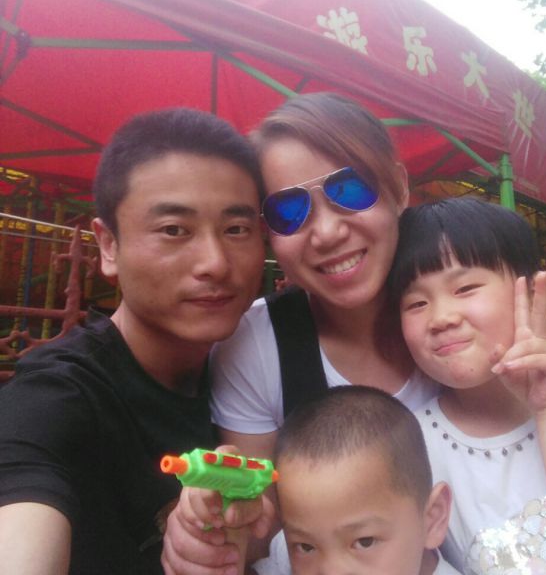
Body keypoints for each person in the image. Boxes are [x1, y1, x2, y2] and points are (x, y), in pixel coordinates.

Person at [162, 92, 439, 573]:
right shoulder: (257, 343)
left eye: (350, 189)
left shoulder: (466, 317)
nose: (327, 232)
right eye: (288, 211)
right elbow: (260, 526)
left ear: (398, 186)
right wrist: (217, 529)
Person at [0, 108, 270, 574]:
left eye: (236, 229)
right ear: (108, 245)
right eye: (174, 230)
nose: (215, 262)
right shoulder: (61, 396)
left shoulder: (255, 369)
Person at [388, 197, 546, 574]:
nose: (441, 318)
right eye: (416, 303)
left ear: (533, 292)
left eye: (465, 288)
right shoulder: (413, 444)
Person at [257, 384, 460, 575]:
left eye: (365, 542)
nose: (332, 571)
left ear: (432, 519)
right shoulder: (287, 550)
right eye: (306, 547)